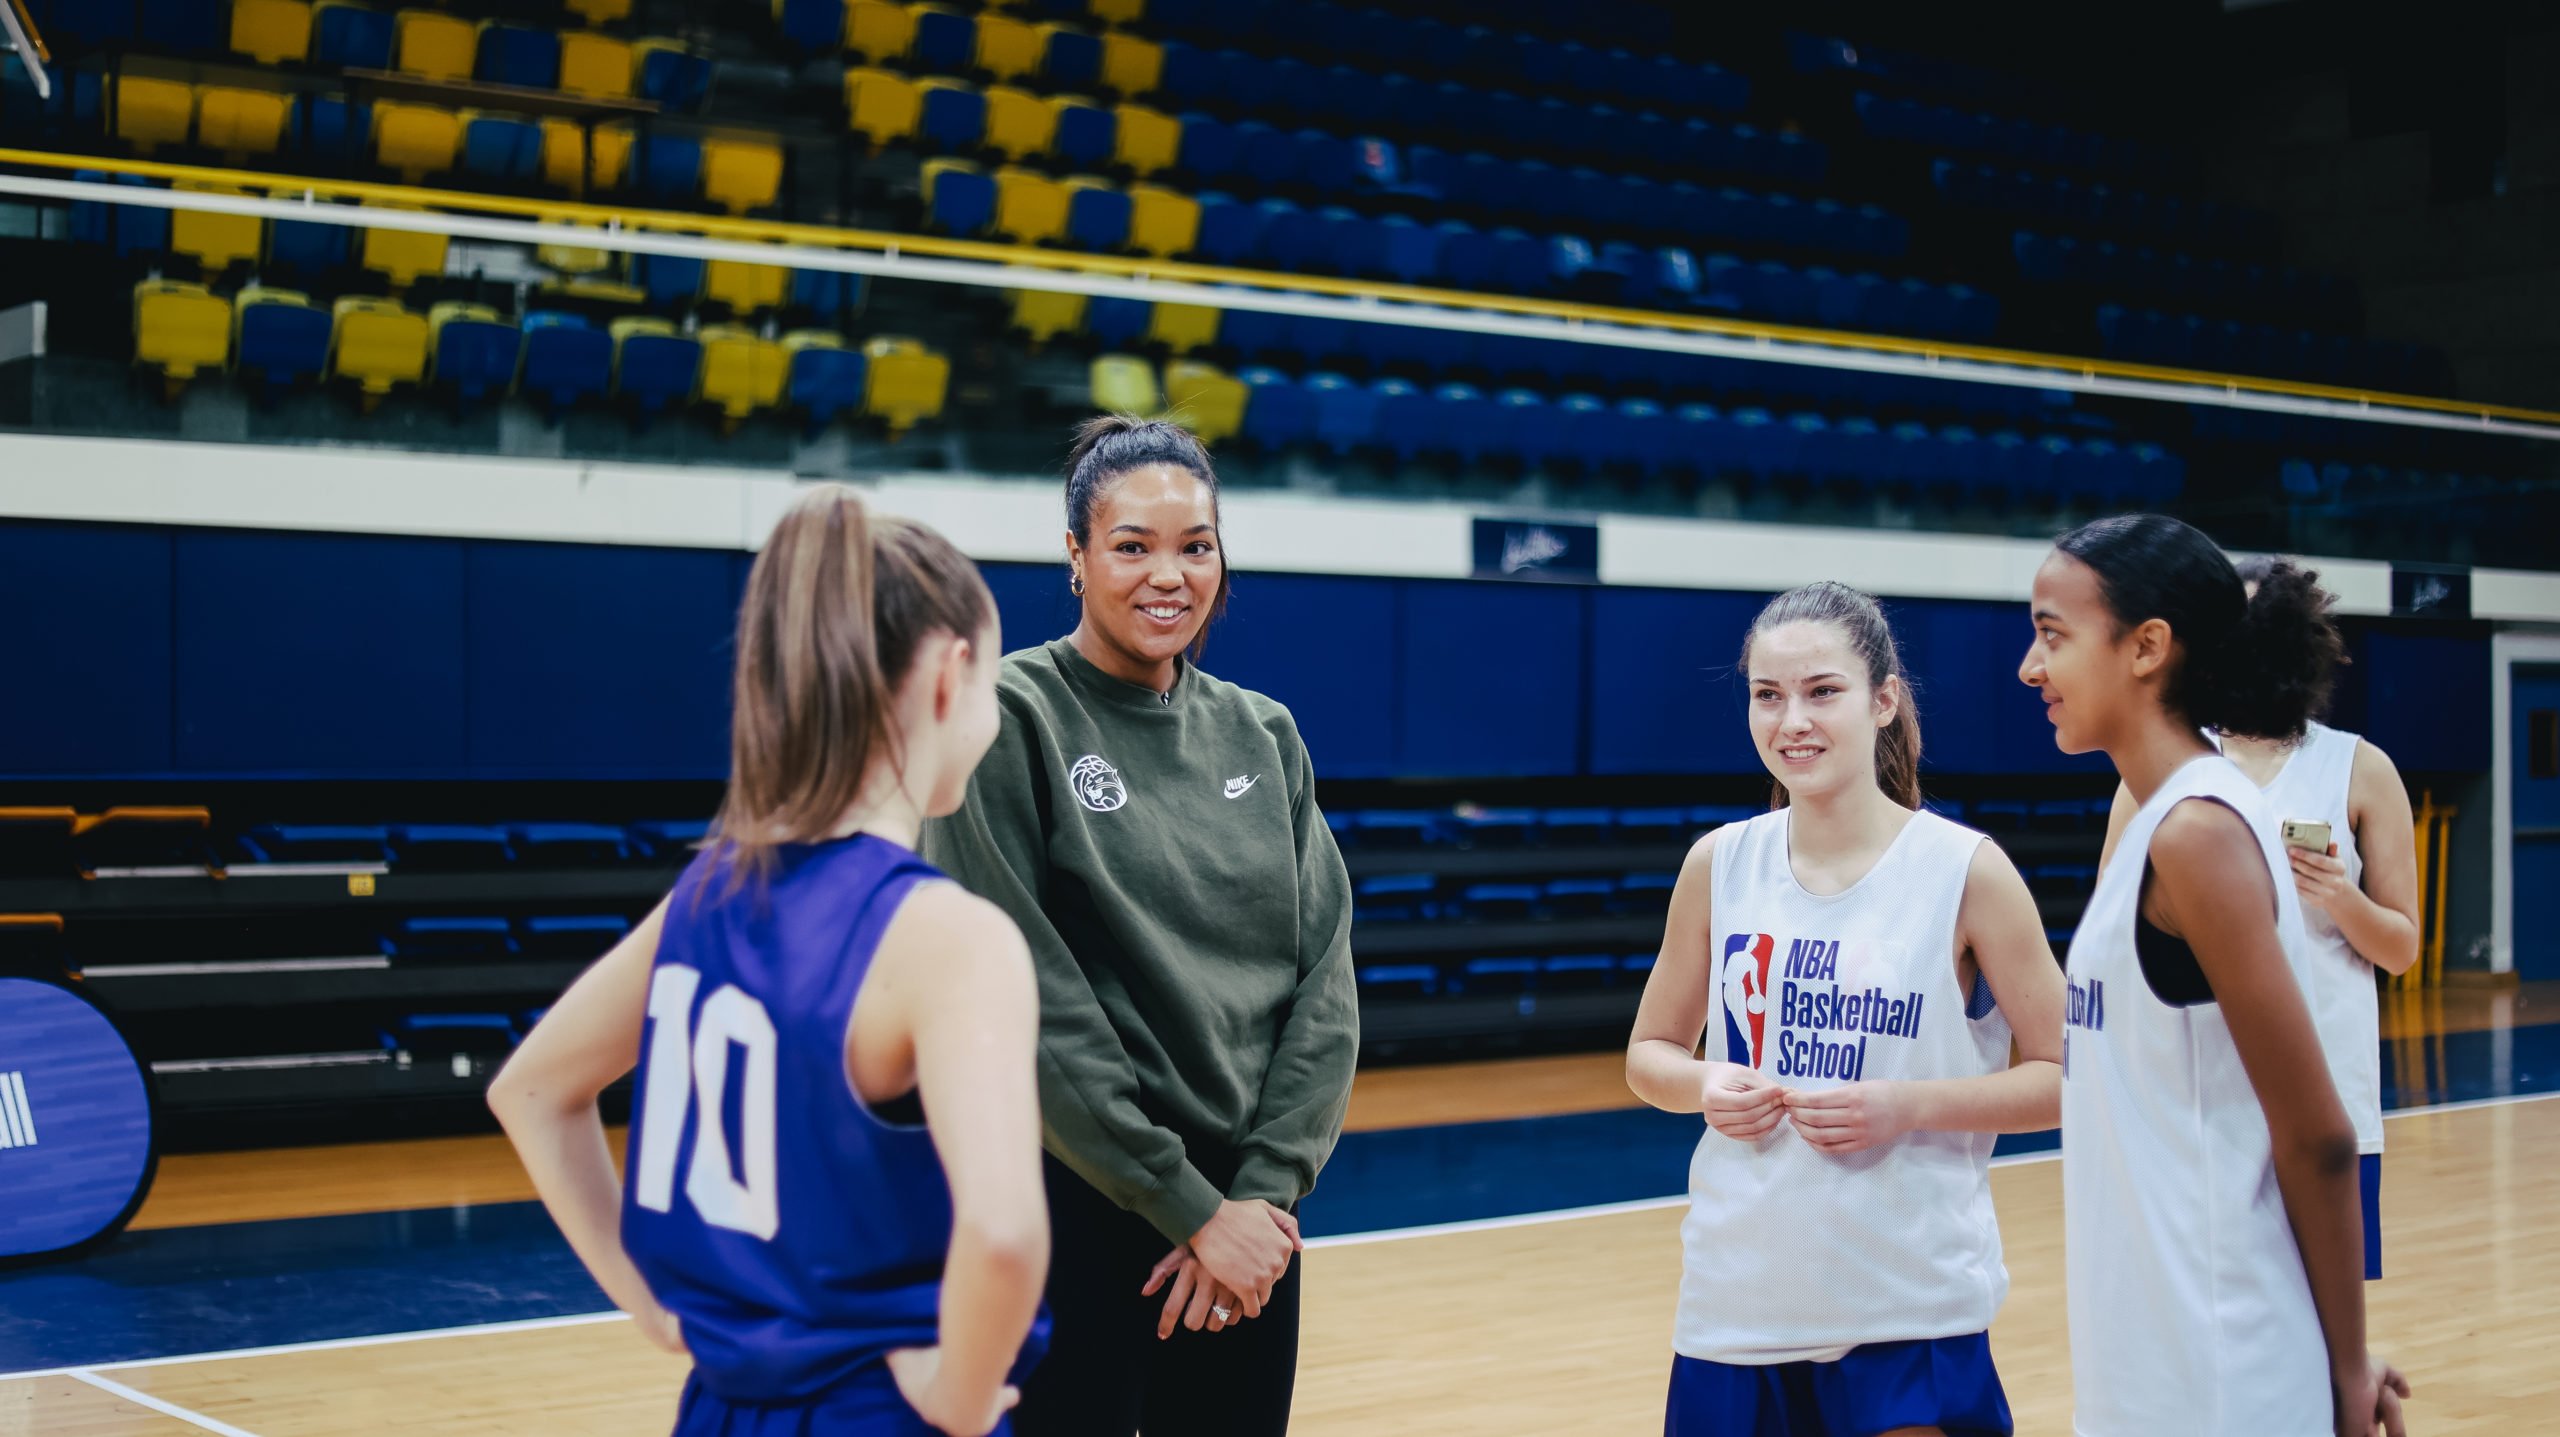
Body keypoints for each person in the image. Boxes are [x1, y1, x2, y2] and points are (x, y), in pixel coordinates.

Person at [488, 486, 1049, 1437]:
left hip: (719, 1406)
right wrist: (959, 1396)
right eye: (993, 683)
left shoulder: (708, 893)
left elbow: (533, 1090)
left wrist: (652, 1300)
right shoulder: (947, 937)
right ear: (951, 677)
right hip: (877, 1409)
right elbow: (1003, 1236)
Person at [921, 416, 1358, 1437]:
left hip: (1252, 1220)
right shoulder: (1006, 716)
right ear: (1075, 557)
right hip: (1078, 1201)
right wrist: (1186, 1207)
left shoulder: (1264, 732)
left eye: (1194, 546)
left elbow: (1324, 986)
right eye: (1132, 545)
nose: (1169, 575)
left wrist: (1257, 1199)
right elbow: (1024, 1000)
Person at [1626, 580, 2065, 1437]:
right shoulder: (1718, 864)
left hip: (1908, 1309)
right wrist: (1707, 1083)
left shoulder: (1965, 870)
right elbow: (1649, 1055)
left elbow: (2069, 1077)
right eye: (1768, 695)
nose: (1793, 720)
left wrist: (1905, 1105)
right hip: (1737, 1306)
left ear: (1884, 699)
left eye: (1823, 691)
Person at [2021, 514, 2409, 1436]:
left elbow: (2318, 1133)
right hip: (2156, 1346)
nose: (2030, 668)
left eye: (2051, 634)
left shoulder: (2198, 834)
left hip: (2217, 1360)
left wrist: (2345, 1367)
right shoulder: (2160, 823)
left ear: (2147, 646)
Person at [2097, 555, 2421, 1280]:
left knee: (2323, 1322)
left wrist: (2339, 894)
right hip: (2198, 1095)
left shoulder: (2361, 769)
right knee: (2210, 1314)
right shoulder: (2160, 769)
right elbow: (2107, 938)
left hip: (2329, 1091)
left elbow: (2400, 948)